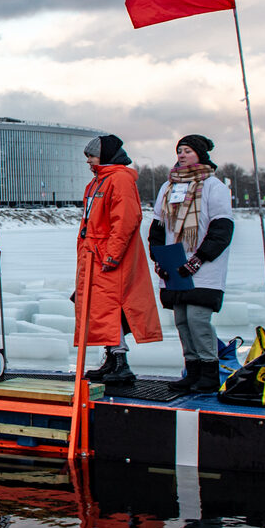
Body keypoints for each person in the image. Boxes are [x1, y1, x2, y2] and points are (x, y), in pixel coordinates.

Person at [149, 134, 235, 393]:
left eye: (187, 150)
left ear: (200, 154)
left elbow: (222, 228)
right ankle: (192, 371)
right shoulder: (168, 187)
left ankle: (209, 372)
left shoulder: (212, 186)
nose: (181, 155)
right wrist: (158, 257)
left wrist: (199, 259)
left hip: (204, 267)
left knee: (198, 319)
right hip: (175, 265)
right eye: (179, 151)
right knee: (182, 320)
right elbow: (157, 226)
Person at [76, 135, 162, 385]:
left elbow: (124, 220)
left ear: (105, 156)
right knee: (100, 310)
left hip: (107, 259)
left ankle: (121, 362)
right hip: (94, 257)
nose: (89, 162)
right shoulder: (97, 183)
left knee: (111, 309)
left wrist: (112, 254)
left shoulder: (119, 179)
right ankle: (113, 359)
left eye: (92, 156)